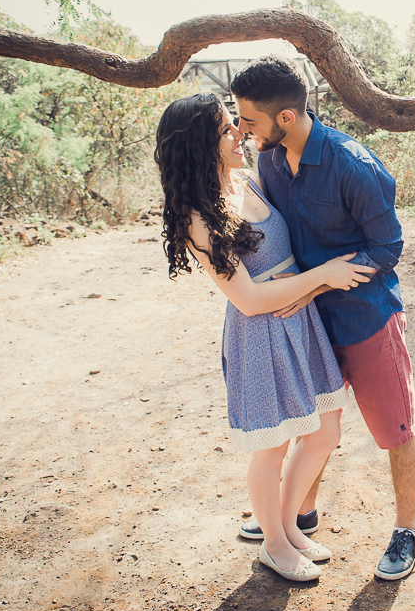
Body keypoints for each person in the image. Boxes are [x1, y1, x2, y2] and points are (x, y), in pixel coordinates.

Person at [154, 92, 376, 582]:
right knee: (272, 446)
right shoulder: (197, 216)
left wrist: (316, 279)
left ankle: (290, 527)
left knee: (325, 432)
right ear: (199, 144)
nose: (239, 132)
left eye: (236, 124)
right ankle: (273, 544)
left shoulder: (248, 180)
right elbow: (249, 299)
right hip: (261, 333)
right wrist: (324, 275)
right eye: (225, 129)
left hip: (301, 319)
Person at [230, 56, 415, 581]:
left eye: (248, 120)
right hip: (302, 320)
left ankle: (406, 530)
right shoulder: (268, 160)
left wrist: (328, 276)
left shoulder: (354, 165)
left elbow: (388, 246)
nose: (240, 129)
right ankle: (296, 517)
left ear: (287, 117)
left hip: (366, 319)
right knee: (309, 421)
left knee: (396, 428)